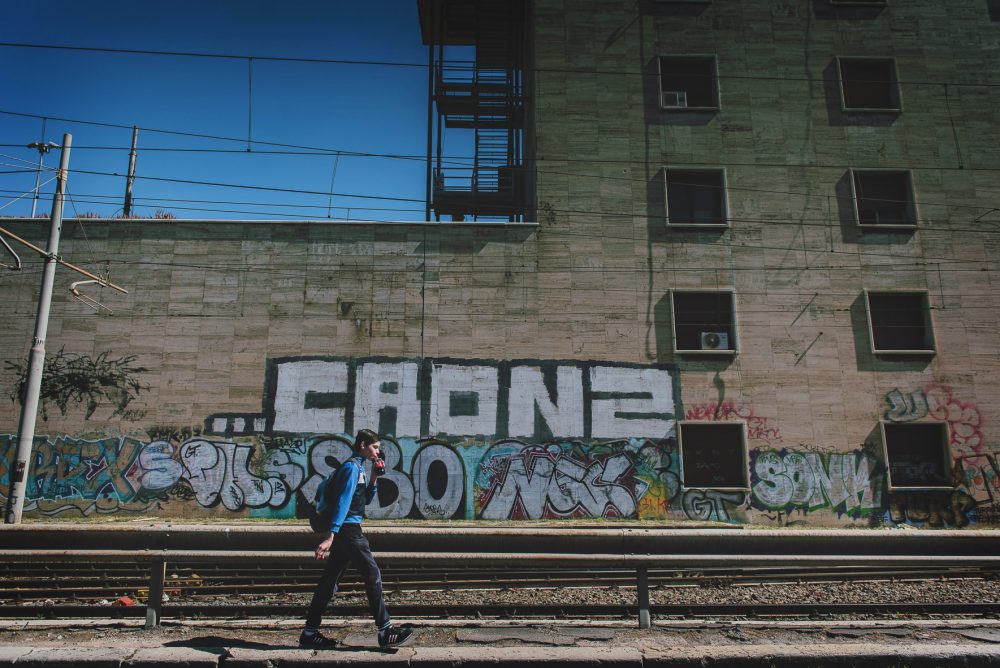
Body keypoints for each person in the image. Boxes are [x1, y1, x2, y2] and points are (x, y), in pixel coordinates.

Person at [299, 429, 414, 649]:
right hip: (349, 530)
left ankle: (309, 633)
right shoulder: (351, 468)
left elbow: (365, 500)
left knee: (329, 582)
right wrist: (330, 536)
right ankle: (385, 631)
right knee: (372, 574)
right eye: (375, 447)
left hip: (347, 528)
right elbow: (342, 502)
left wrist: (374, 476)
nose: (377, 451)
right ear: (362, 445)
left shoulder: (359, 468)